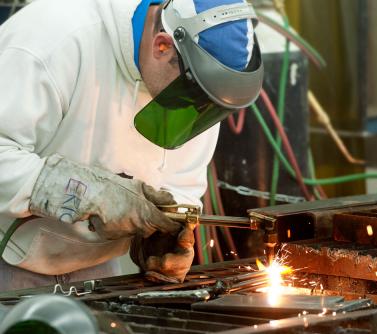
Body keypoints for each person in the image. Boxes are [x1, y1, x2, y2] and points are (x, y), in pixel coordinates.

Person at [0, 0, 263, 291]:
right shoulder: (54, 38)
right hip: (7, 262)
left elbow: (182, 183)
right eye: (192, 98)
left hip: (97, 268)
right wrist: (92, 193)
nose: (198, 112)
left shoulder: (197, 81)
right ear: (161, 46)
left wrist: (164, 234)